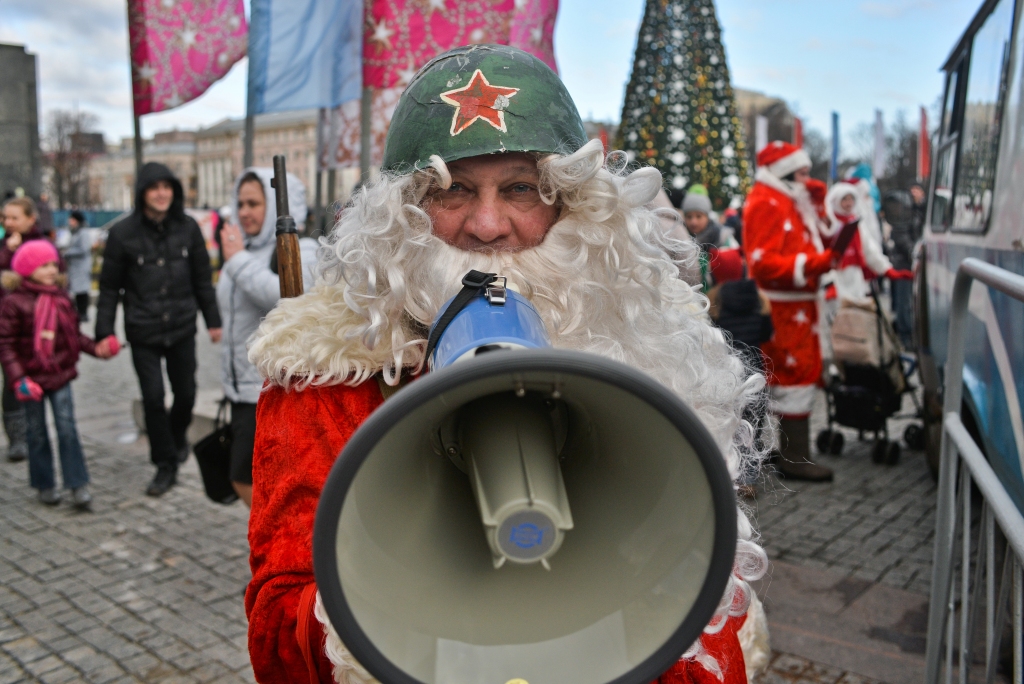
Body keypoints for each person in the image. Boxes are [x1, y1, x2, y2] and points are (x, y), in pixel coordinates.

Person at [244, 45, 769, 684]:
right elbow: (280, 630)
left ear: (572, 207)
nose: (487, 226)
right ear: (401, 214)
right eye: (451, 190)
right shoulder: (327, 379)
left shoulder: (654, 348)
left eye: (520, 188)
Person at [95, 162, 222, 497]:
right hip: (143, 330)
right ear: (143, 193)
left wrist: (213, 321)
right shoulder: (122, 233)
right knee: (152, 398)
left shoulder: (189, 228)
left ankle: (177, 438)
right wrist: (103, 332)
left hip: (181, 325)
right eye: (155, 188)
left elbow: (202, 280)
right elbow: (109, 288)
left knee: (186, 395)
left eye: (167, 187)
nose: (162, 193)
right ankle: (165, 464)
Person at [216, 169, 317, 506]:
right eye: (240, 203)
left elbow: (287, 298)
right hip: (240, 388)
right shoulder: (242, 252)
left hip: (268, 387)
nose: (244, 211)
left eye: (254, 203)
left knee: (245, 479)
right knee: (251, 479)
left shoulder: (304, 247)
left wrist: (237, 261)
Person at [743, 141, 839, 482]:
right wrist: (817, 264)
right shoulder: (766, 203)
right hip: (783, 310)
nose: (808, 179)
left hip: (799, 307)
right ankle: (793, 456)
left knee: (798, 375)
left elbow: (820, 240)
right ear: (784, 172)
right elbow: (763, 262)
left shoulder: (791, 200)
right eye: (802, 173)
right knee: (791, 377)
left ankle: (791, 452)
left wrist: (817, 204)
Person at [0, 241, 119, 508]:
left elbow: (74, 336)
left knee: (67, 429)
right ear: (28, 269)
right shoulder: (14, 303)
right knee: (37, 431)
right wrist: (18, 379)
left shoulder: (61, 298)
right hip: (30, 380)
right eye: (44, 265)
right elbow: (6, 345)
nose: (52, 269)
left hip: (60, 374)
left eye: (54, 263)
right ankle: (44, 483)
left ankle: (77, 484)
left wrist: (97, 349)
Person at [0, 197, 54, 463]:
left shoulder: (43, 245)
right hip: (8, 323)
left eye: (14, 218)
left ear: (31, 219)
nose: (8, 223)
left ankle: (38, 433)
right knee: (12, 378)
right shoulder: (3, 245)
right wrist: (9, 253)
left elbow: (57, 277)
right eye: (5, 218)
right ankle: (17, 438)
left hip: (40, 325)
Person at [821, 182, 910, 307]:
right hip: (836, 280)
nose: (848, 203)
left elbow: (869, 250)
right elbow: (821, 254)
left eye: (851, 199)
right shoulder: (828, 224)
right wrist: (828, 283)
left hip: (856, 280)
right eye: (844, 199)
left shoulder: (856, 223)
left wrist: (887, 269)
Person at [64, 210, 93, 320]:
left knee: (82, 290)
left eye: (71, 219)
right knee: (77, 290)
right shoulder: (75, 232)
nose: (69, 222)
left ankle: (83, 313)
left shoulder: (83, 232)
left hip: (81, 266)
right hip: (75, 266)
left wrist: (67, 253)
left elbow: (84, 249)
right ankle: (80, 313)